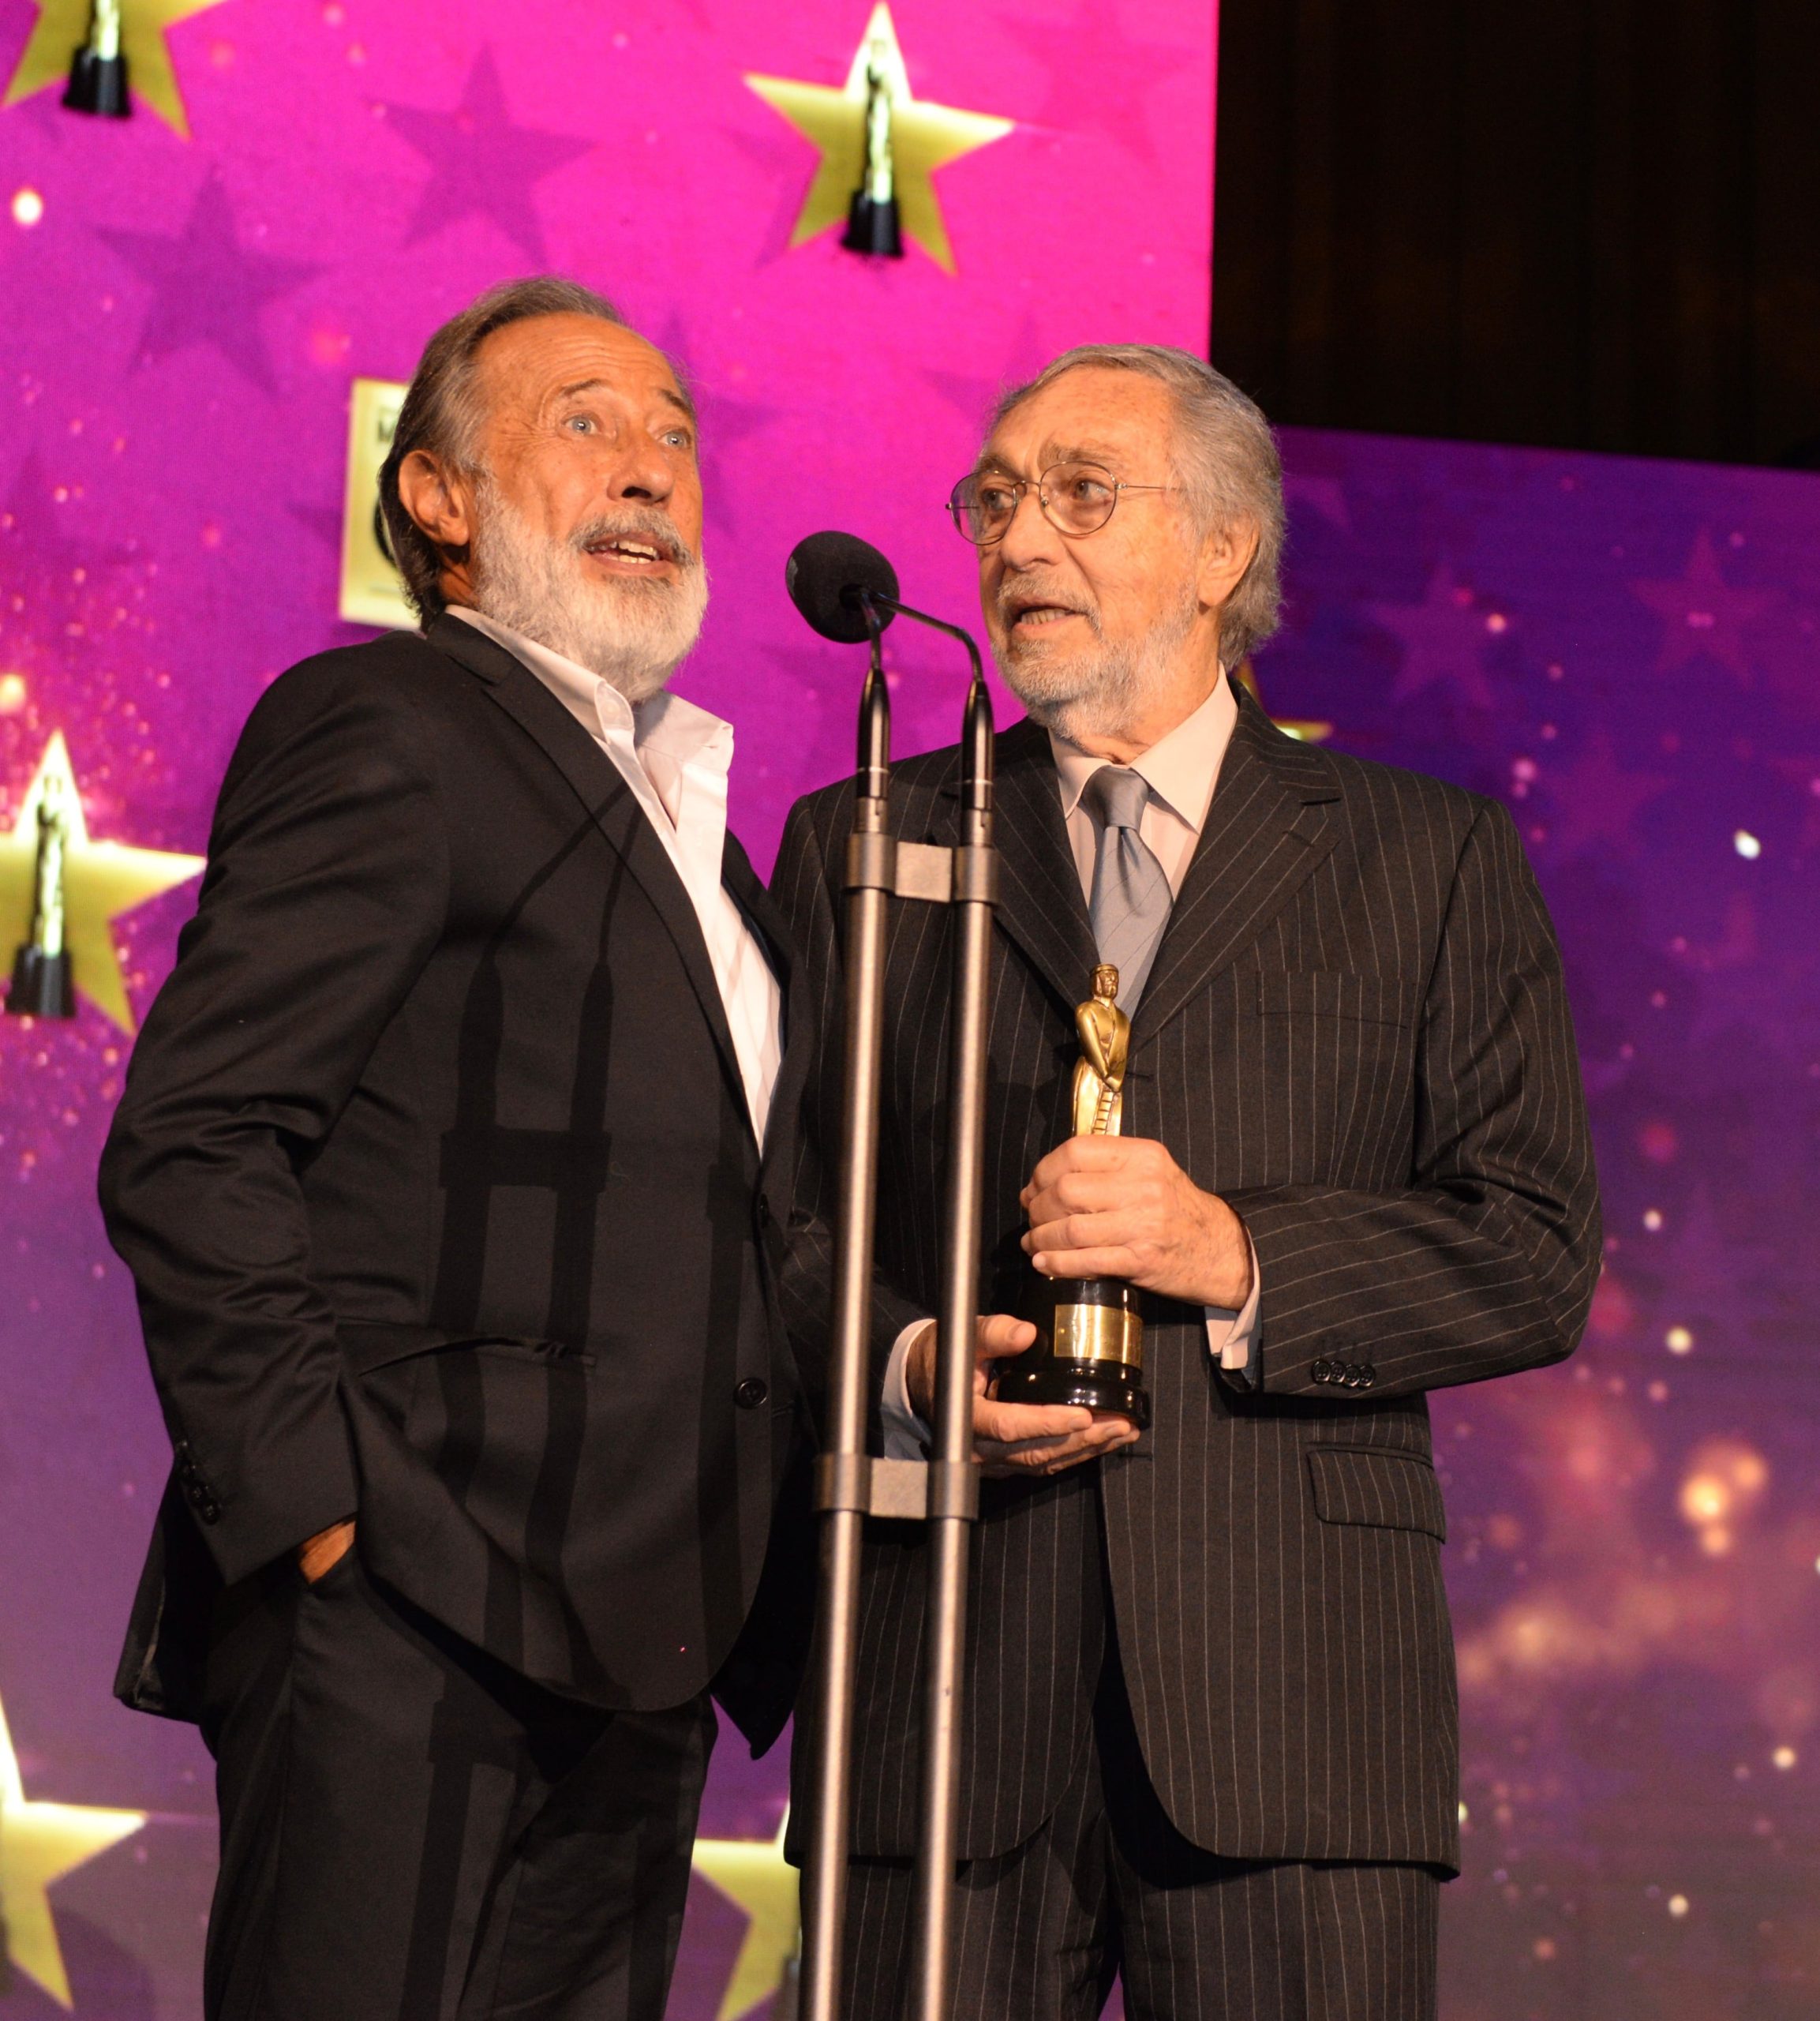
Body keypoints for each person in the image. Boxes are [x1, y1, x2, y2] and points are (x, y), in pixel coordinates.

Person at [770, 344, 1601, 2019]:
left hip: (1296, 1701)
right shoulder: (866, 837)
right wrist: (910, 1366)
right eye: (994, 500)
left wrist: (1236, 1252)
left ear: (1224, 547)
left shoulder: (1423, 858)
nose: (1019, 540)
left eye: (1080, 494)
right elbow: (774, 1224)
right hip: (943, 1684)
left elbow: (1530, 1246)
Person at [99, 276, 811, 2021]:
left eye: (673, 433)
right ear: (436, 497)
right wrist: (318, 1516)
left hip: (646, 1640)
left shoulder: (699, 827)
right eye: (586, 422)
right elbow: (196, 1135)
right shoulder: (390, 723)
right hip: (412, 1610)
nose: (649, 466)